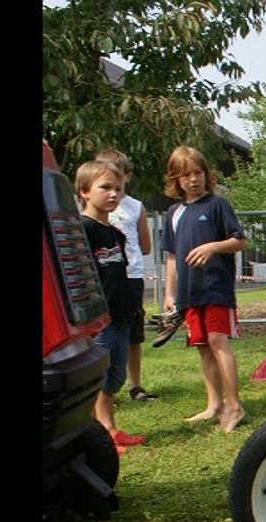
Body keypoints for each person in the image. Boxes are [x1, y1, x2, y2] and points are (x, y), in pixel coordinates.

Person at [160, 145, 249, 433]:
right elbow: (171, 256)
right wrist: (169, 294)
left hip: (215, 287)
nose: (193, 179)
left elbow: (239, 241)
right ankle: (214, 404)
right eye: (185, 175)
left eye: (197, 172)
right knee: (202, 347)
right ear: (176, 179)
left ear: (206, 174)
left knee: (217, 342)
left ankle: (234, 406)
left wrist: (213, 247)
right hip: (189, 292)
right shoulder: (173, 212)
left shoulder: (217, 205)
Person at [75, 159, 146, 451]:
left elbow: (121, 274)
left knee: (114, 378)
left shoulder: (116, 234)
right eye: (105, 187)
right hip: (97, 322)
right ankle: (92, 435)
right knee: (94, 379)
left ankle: (110, 429)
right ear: (84, 192)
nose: (114, 194)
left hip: (121, 316)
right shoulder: (82, 230)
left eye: (118, 188)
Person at [96, 148, 157, 401]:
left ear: (126, 177)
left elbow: (145, 246)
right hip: (101, 278)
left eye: (117, 180)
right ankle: (98, 389)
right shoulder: (88, 207)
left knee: (132, 332)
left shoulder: (135, 207)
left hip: (130, 276)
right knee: (102, 334)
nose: (112, 191)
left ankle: (135, 385)